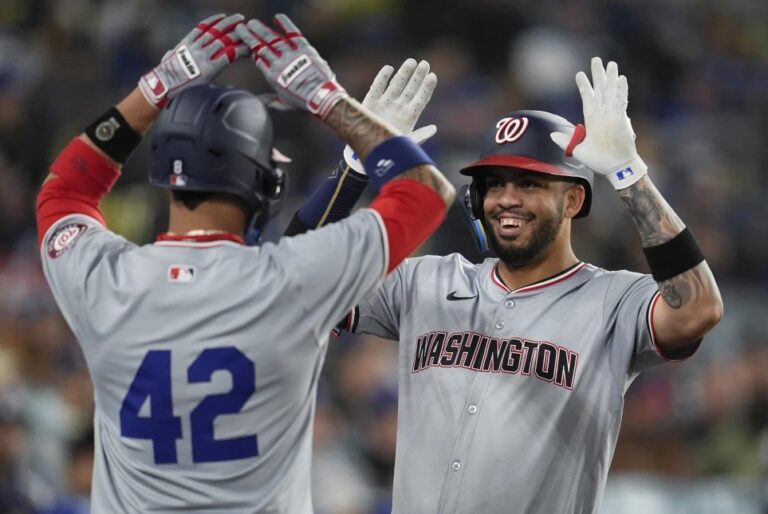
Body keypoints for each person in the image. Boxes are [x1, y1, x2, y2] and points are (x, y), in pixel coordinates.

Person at [36, 12, 455, 513]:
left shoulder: (102, 279)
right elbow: (427, 191)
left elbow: (65, 191)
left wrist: (154, 90)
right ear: (262, 183)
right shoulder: (291, 280)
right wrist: (328, 101)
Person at [293, 57, 723, 513]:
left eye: (530, 183)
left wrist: (629, 174)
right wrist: (355, 165)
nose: (506, 199)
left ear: (574, 198)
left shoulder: (614, 300)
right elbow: (294, 278)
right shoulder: (424, 281)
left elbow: (697, 309)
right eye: (493, 184)